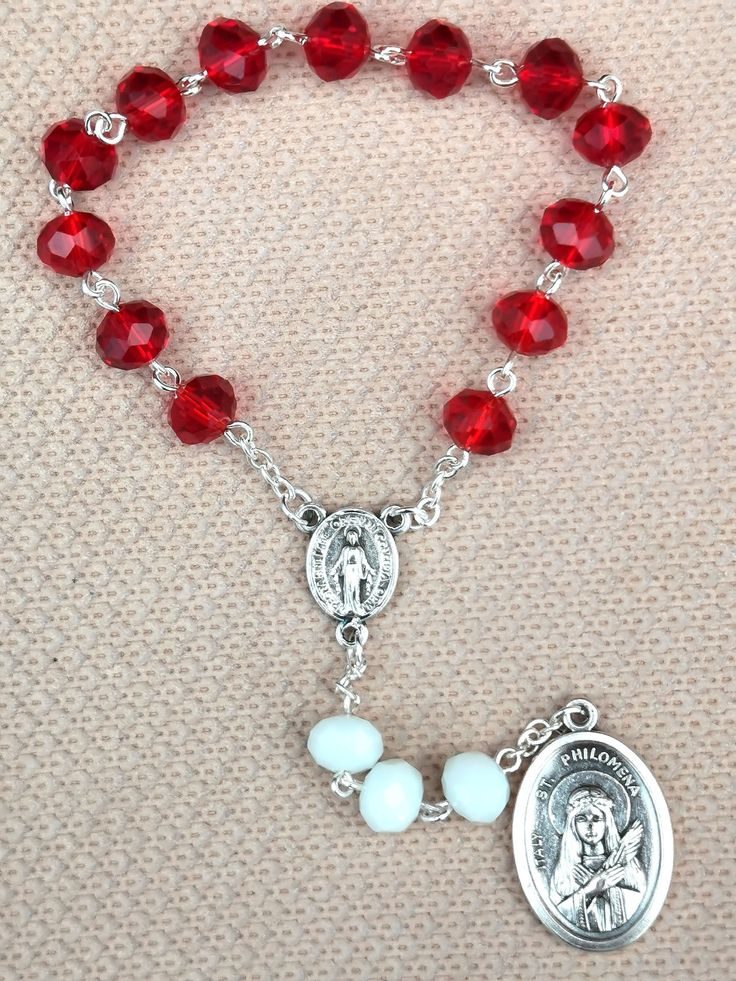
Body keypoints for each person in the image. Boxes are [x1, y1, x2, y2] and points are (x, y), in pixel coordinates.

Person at [550, 785, 645, 932]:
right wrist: (590, 889)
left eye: (596, 818)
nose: (590, 826)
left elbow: (640, 903)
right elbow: (557, 914)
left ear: (607, 822)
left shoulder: (630, 866)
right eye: (582, 819)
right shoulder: (563, 871)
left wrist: (605, 888)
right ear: (573, 824)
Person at [332, 527, 375, 615]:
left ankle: (356, 606)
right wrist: (335, 568)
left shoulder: (360, 550)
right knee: (348, 588)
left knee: (356, 588)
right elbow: (340, 560)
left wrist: (370, 569)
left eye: (353, 538)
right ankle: (348, 606)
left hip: (356, 570)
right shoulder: (345, 549)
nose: (352, 540)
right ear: (348, 539)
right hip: (348, 570)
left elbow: (364, 561)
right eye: (350, 538)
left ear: (356, 538)